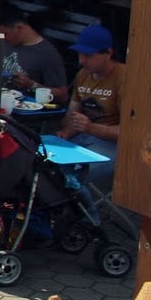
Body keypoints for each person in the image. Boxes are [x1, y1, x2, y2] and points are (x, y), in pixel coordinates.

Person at [57, 24, 125, 189]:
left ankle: (86, 215)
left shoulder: (124, 77)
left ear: (108, 53)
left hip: (116, 145)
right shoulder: (83, 75)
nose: (81, 61)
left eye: (88, 55)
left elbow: (130, 132)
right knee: (47, 169)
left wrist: (90, 127)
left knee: (71, 178)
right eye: (80, 54)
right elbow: (73, 114)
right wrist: (65, 133)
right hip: (85, 137)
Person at [0, 6, 69, 101]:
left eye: (5, 34)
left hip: (25, 106)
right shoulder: (4, 43)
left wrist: (31, 85)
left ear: (19, 28)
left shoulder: (48, 54)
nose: (3, 38)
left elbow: (63, 95)